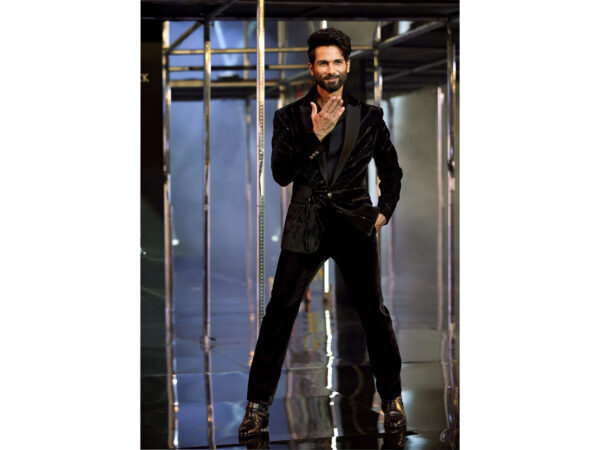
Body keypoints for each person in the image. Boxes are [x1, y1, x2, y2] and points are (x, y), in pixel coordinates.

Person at [239, 27, 406, 438]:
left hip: (354, 225)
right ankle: (256, 409)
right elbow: (280, 174)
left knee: (375, 315)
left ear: (346, 65)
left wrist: (382, 213)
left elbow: (391, 171)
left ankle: (392, 401)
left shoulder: (370, 116)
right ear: (311, 67)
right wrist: (314, 135)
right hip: (306, 225)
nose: (330, 70)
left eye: (336, 62)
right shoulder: (289, 117)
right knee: (279, 315)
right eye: (323, 63)